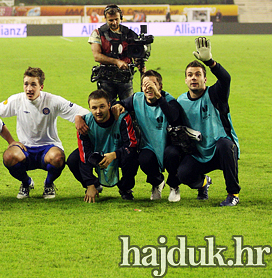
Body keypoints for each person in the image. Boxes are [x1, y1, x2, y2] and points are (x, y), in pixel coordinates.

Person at [0, 67, 89, 199]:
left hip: (48, 147)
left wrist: (78, 116)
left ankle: (48, 184)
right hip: (25, 148)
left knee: (58, 158)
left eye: (33, 85)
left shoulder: (53, 101)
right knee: (8, 157)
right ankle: (26, 183)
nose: (29, 89)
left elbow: (83, 111)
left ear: (41, 87)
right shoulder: (17, 100)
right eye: (26, 84)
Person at [176, 38, 240, 206]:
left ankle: (233, 194)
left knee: (225, 145)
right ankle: (204, 183)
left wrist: (210, 62)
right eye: (190, 75)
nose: (194, 78)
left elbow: (226, 79)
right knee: (182, 174)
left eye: (198, 74)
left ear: (205, 79)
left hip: (221, 150)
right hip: (199, 153)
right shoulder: (181, 101)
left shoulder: (215, 94)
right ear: (185, 80)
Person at [112, 70, 183, 201]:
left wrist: (159, 97)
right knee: (144, 160)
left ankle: (174, 185)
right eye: (145, 84)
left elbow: (174, 118)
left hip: (169, 145)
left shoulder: (169, 100)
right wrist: (118, 105)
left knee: (173, 155)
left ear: (160, 86)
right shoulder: (137, 99)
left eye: (152, 84)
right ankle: (157, 182)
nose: (148, 88)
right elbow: (121, 103)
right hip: (149, 145)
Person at [67, 89, 138, 202]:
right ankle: (94, 186)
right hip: (95, 154)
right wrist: (89, 183)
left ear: (109, 105)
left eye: (102, 106)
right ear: (89, 108)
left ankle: (125, 188)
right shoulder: (84, 123)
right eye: (94, 108)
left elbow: (131, 145)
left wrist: (114, 155)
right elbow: (84, 155)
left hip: (117, 153)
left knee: (132, 157)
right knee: (73, 160)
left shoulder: (122, 117)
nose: (98, 111)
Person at [89, 4, 144, 102]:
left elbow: (136, 52)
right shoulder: (98, 33)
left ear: (121, 18)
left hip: (126, 78)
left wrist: (139, 62)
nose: (114, 23)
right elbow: (97, 56)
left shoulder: (129, 33)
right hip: (106, 78)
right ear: (105, 19)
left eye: (117, 19)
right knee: (107, 109)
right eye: (111, 20)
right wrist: (117, 62)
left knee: (129, 108)